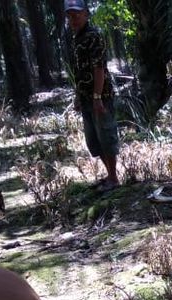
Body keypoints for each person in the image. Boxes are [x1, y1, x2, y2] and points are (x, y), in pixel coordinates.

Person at [64, 0, 120, 191]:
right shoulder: (76, 38)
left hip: (100, 97)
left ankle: (114, 178)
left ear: (86, 14)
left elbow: (99, 68)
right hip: (86, 97)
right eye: (70, 16)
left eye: (77, 15)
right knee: (93, 141)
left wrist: (97, 97)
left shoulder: (93, 36)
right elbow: (79, 71)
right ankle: (110, 175)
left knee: (106, 135)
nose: (74, 19)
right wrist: (79, 96)